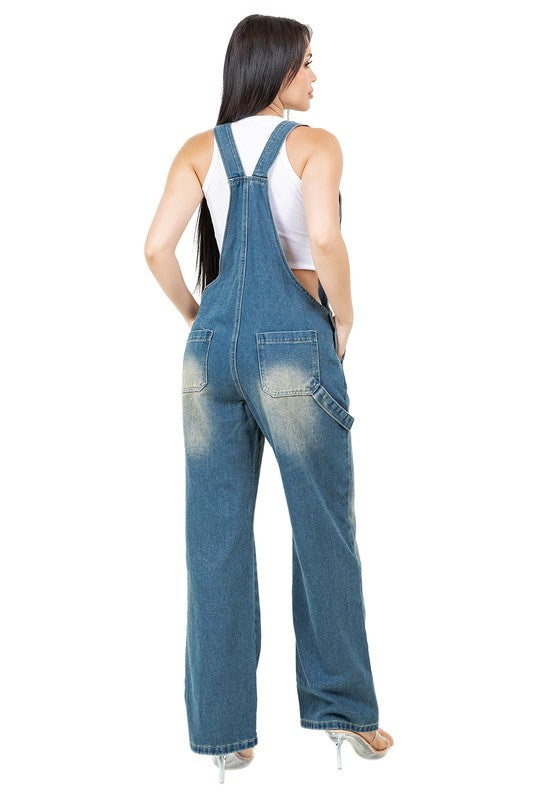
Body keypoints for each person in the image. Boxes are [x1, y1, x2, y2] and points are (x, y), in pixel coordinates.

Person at [144, 13, 394, 783]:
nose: (315, 76)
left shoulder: (199, 148)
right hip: (293, 345)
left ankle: (224, 737)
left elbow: (155, 248)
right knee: (323, 530)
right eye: (308, 63)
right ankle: (344, 714)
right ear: (279, 68)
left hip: (208, 352)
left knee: (213, 541)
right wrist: (343, 317)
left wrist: (199, 318)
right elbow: (325, 239)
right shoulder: (314, 145)